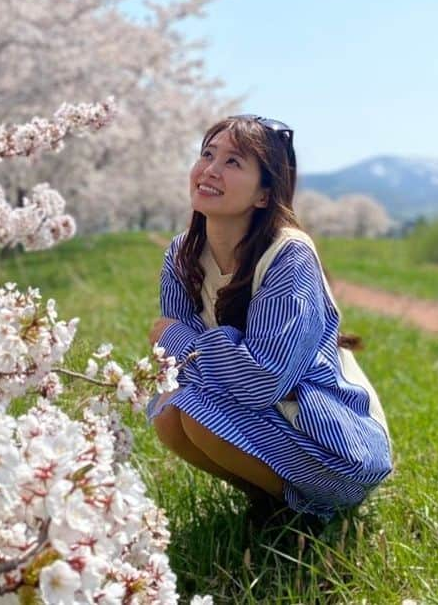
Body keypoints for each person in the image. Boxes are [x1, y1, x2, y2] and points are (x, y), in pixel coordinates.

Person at [147, 115, 392, 525]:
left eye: (233, 162)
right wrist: (210, 352)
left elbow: (261, 381)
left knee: (192, 408)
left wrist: (176, 336)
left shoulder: (287, 256)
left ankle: (314, 513)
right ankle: (272, 507)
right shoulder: (182, 256)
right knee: (170, 410)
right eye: (207, 154)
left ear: (264, 195)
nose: (210, 169)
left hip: (336, 447)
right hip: (267, 423)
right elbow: (175, 372)